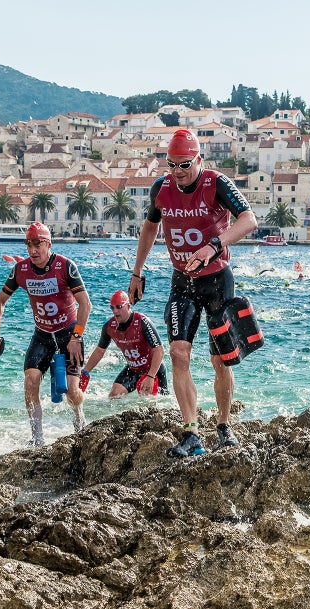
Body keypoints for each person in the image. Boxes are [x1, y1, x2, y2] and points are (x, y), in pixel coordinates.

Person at [127, 129, 259, 458]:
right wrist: (137, 272)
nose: (178, 171)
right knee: (178, 354)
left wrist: (213, 246)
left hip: (217, 281)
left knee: (219, 360)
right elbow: (150, 227)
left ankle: (224, 425)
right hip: (181, 281)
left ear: (199, 159)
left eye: (185, 164)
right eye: (172, 164)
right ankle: (191, 433)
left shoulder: (216, 183)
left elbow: (249, 220)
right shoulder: (162, 188)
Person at [0, 222, 91, 447]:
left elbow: (85, 304)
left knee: (71, 392)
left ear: (48, 244)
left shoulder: (65, 266)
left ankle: (79, 418)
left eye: (37, 244)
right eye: (29, 244)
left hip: (68, 334)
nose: (33, 250)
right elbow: (0, 300)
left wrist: (76, 337)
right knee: (30, 381)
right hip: (42, 334)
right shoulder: (20, 270)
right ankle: (37, 438)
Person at [81, 290, 169, 398]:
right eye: (112, 307)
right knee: (114, 395)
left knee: (159, 404)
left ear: (127, 306)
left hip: (154, 369)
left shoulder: (142, 322)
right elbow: (100, 351)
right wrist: (85, 372)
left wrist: (150, 376)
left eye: (118, 306)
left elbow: (159, 351)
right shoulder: (109, 327)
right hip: (134, 369)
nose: (115, 311)